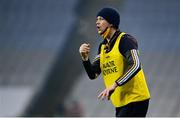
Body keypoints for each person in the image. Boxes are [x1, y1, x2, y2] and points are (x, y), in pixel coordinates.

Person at [79, 7, 150, 117]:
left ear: (111, 23)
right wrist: (85, 58)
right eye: (96, 19)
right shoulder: (103, 46)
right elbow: (93, 74)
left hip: (135, 99)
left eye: (101, 19)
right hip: (121, 102)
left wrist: (115, 84)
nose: (97, 22)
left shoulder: (125, 40)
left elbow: (136, 65)